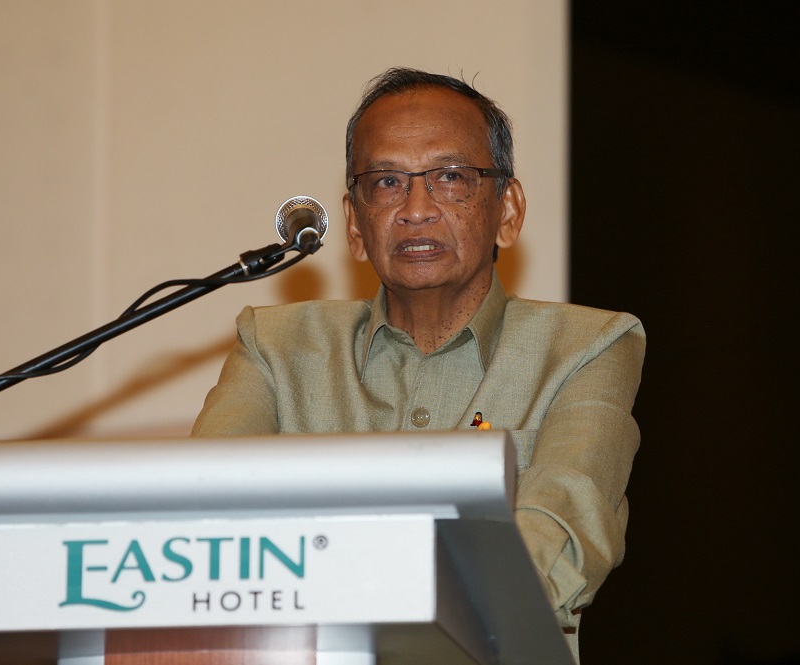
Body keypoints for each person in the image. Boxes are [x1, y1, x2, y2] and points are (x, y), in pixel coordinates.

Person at [192, 67, 645, 660]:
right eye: (385, 183)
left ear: (508, 211)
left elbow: (551, 544)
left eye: (451, 177)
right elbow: (200, 530)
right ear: (355, 224)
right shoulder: (276, 347)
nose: (415, 209)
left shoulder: (588, 346)